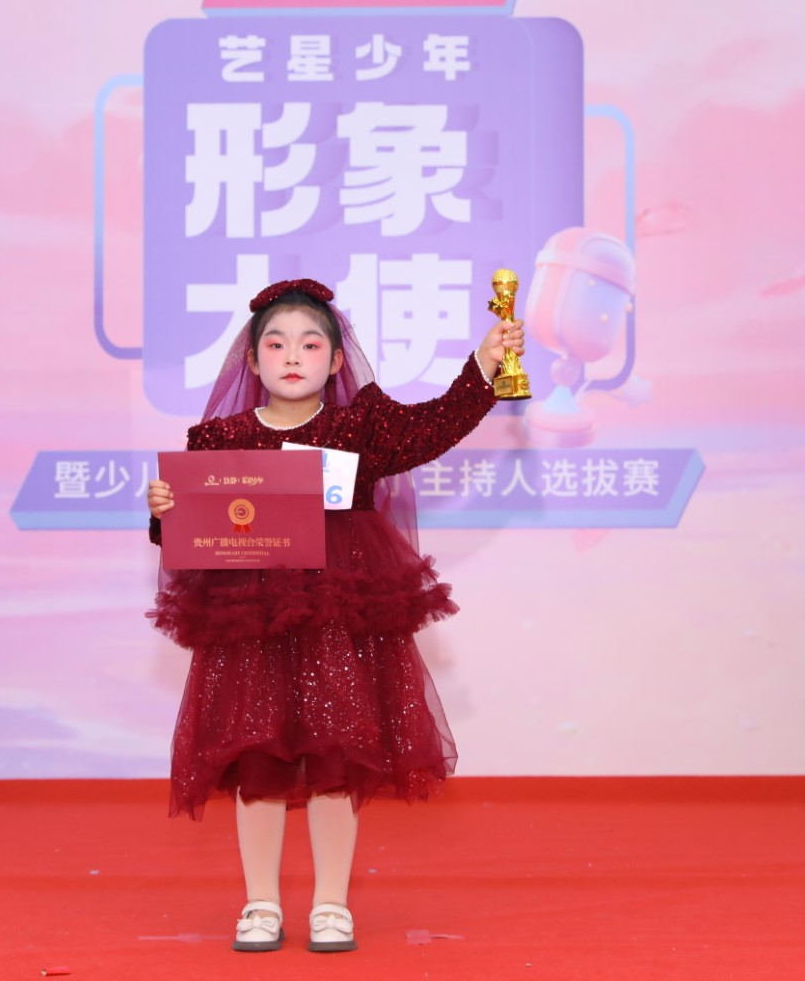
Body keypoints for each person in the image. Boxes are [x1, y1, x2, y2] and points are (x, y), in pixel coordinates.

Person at [145, 277, 522, 952]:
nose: (293, 355)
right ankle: (260, 903)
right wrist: (164, 511)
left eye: (311, 343)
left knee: (335, 758)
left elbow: (434, 425)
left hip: (337, 620)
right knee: (255, 758)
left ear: (338, 359)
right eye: (276, 344)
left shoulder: (362, 426)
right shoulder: (219, 439)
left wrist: (486, 364)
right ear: (251, 360)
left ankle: (330, 904)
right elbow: (188, 536)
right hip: (252, 623)